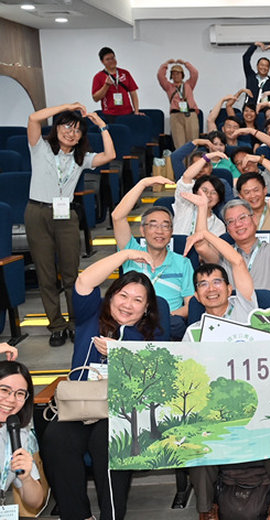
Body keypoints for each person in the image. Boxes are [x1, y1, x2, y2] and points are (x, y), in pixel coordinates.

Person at [42, 249, 166, 520]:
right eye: (122, 295)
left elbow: (151, 386)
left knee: (108, 442)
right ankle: (77, 515)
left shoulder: (149, 337)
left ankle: (111, 516)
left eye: (137, 300)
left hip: (121, 411)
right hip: (79, 404)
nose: (127, 304)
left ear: (146, 309)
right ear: (111, 297)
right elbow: (84, 282)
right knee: (56, 438)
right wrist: (126, 254)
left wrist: (121, 354)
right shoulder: (91, 315)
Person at [183, 232, 270, 520]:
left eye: (217, 281)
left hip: (257, 398)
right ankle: (206, 509)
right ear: (196, 295)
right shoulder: (192, 333)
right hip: (216, 407)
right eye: (202, 285)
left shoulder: (247, 309)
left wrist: (205, 233)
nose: (210, 289)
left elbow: (236, 261)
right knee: (194, 431)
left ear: (230, 288)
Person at [26, 103, 116, 346]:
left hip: (65, 215)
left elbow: (110, 156)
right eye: (67, 126)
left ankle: (76, 322)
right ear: (56, 128)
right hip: (37, 213)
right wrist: (66, 107)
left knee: (70, 273)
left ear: (81, 138)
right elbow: (34, 118)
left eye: (77, 130)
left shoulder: (81, 158)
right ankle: (56, 325)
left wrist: (102, 126)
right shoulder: (40, 148)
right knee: (45, 274)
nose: (71, 133)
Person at [112, 177, 195, 340]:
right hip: (132, 321)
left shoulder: (182, 262)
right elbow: (117, 217)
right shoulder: (131, 252)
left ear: (171, 231)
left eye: (165, 226)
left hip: (168, 325)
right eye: (153, 225)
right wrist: (143, 183)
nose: (159, 231)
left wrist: (162, 314)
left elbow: (190, 305)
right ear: (142, 230)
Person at [195, 196, 270, 308]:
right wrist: (202, 208)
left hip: (267, 319)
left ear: (254, 219)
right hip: (234, 319)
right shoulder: (223, 255)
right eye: (231, 221)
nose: (238, 224)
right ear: (227, 228)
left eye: (242, 218)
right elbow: (201, 246)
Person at [0, 360, 45, 512]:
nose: (11, 399)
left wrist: (26, 479)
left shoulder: (17, 432)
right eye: (4, 390)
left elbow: (36, 501)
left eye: (20, 393)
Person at [172, 151, 226, 236]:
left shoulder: (219, 225)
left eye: (214, 192)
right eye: (204, 190)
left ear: (219, 198)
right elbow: (187, 177)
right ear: (195, 192)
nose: (208, 195)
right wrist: (207, 157)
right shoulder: (185, 205)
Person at [235, 159, 270, 231]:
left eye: (256, 190)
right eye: (247, 192)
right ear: (241, 197)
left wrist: (260, 159)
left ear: (265, 190)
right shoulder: (237, 215)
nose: (253, 195)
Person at [157, 58, 199, 148]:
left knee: (193, 143)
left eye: (178, 73)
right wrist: (166, 64)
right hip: (176, 116)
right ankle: (181, 162)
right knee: (179, 145)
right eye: (173, 73)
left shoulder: (189, 84)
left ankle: (193, 162)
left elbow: (194, 73)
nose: (176, 76)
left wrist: (185, 63)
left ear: (182, 75)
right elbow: (160, 76)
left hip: (190, 114)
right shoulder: (169, 87)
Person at [91, 47, 140, 119]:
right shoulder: (98, 77)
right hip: (109, 114)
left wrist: (136, 111)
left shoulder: (125, 73)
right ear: (102, 61)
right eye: (108, 59)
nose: (111, 61)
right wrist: (106, 85)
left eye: (113, 58)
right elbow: (95, 98)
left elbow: (133, 93)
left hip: (127, 113)